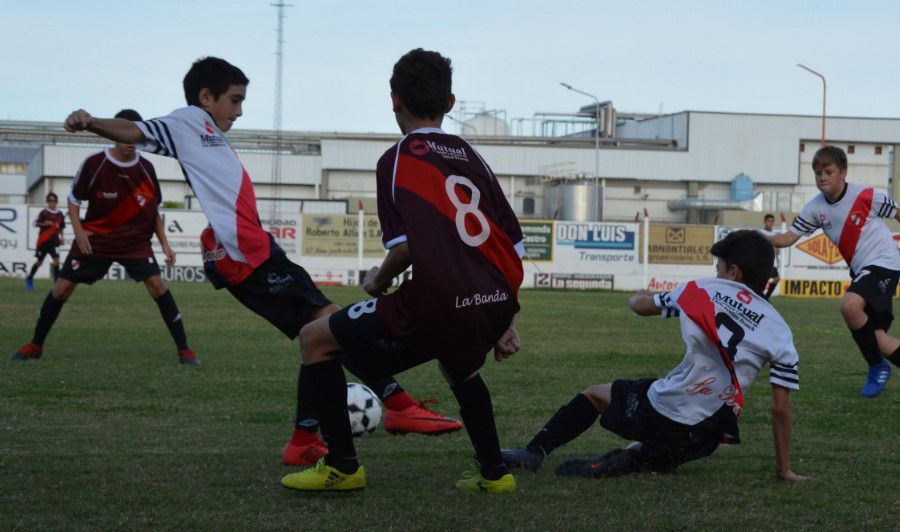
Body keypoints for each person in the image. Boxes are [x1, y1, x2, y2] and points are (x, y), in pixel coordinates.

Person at [57, 57, 461, 466]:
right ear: (206, 97)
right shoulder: (187, 122)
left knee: (320, 335)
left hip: (256, 250)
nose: (239, 110)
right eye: (234, 100)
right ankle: (398, 405)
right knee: (332, 324)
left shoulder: (210, 131)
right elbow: (133, 130)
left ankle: (306, 438)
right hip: (244, 254)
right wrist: (90, 121)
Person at [280, 48, 525, 493]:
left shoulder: (398, 158)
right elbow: (513, 244)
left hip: (435, 301)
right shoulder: (474, 158)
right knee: (460, 366)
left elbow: (407, 245)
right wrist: (506, 318)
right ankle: (495, 473)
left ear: (394, 100)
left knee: (317, 340)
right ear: (450, 103)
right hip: (489, 300)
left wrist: (378, 280)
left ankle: (342, 467)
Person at [503, 230, 808, 482]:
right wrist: (784, 470)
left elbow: (643, 306)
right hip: (707, 436)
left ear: (733, 271)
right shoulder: (779, 329)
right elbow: (781, 409)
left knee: (596, 395)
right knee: (659, 448)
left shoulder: (705, 289)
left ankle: (535, 452)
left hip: (667, 410)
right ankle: (636, 457)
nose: (715, 272)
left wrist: (635, 297)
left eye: (718, 267)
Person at [11, 109, 200, 366]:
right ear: (113, 132)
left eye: (132, 132)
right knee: (62, 288)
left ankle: (185, 351)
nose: (127, 138)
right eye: (121, 131)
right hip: (97, 240)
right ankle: (35, 345)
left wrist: (165, 243)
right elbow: (74, 199)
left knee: (157, 286)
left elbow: (153, 210)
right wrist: (78, 231)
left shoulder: (146, 169)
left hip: (134, 242)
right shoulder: (94, 163)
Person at [769, 146, 899, 397]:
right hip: (862, 271)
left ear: (843, 173)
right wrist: (761, 239)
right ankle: (879, 363)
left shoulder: (866, 196)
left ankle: (876, 367)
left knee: (850, 306)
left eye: (828, 171)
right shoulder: (814, 208)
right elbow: (788, 237)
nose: (822, 177)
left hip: (885, 263)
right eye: (817, 173)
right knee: (878, 339)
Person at [24, 192, 66, 290]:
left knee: (56, 261)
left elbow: (61, 228)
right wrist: (44, 223)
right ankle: (29, 278)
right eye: (51, 201)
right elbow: (35, 223)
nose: (53, 203)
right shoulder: (44, 213)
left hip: (54, 242)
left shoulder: (60, 214)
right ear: (47, 202)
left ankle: (56, 286)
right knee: (39, 262)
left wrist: (62, 238)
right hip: (43, 241)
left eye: (55, 201)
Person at [758, 213, 781, 300]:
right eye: (769, 221)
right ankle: (762, 298)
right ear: (764, 221)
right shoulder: (760, 232)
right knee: (763, 281)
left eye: (772, 221)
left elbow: (777, 247)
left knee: (776, 279)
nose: (770, 223)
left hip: (773, 262)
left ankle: (765, 298)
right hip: (763, 261)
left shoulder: (775, 233)